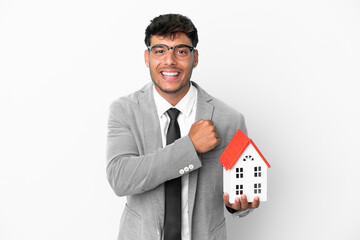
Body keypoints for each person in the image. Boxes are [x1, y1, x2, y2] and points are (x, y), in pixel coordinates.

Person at [106, 13, 260, 240]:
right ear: (147, 58)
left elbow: (241, 191)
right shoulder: (125, 110)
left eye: (180, 51)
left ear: (194, 57)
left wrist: (239, 205)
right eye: (160, 50)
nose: (170, 61)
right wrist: (190, 147)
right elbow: (120, 178)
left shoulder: (230, 119)